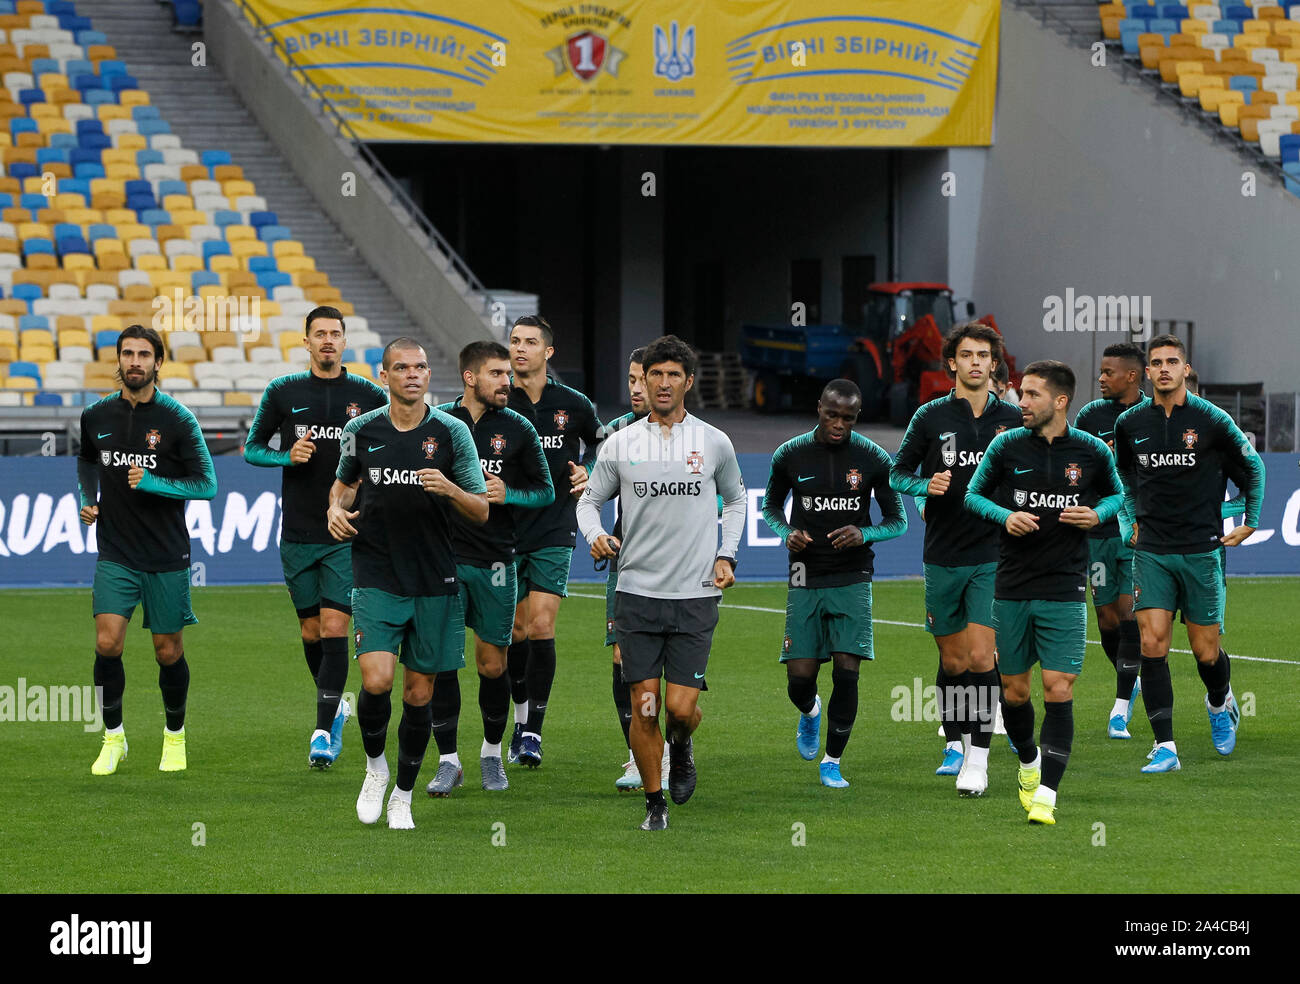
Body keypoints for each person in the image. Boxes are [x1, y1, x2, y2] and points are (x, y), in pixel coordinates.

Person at [577, 334, 746, 831]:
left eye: (674, 375)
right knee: (643, 706)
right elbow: (588, 501)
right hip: (636, 596)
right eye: (656, 374)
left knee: (679, 709)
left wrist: (725, 553)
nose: (664, 383)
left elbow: (736, 500)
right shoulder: (621, 444)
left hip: (695, 594)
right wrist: (596, 536)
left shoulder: (714, 441)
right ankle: (655, 804)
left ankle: (684, 742)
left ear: (689, 382)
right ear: (644, 381)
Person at [328, 338, 488, 829]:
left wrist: (452, 488)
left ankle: (403, 794)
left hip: (435, 579)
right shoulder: (360, 430)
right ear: (385, 376)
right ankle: (375, 769)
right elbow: (343, 484)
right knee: (376, 681)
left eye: (420, 366)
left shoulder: (452, 432)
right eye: (402, 367)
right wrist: (334, 508)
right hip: (376, 573)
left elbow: (481, 509)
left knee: (419, 695)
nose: (413, 374)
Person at [965, 360, 1124, 824]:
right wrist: (1003, 516)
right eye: (1021, 393)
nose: (1022, 402)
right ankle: (1029, 761)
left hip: (1066, 585)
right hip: (1012, 585)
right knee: (1015, 693)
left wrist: (1097, 514)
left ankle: (1048, 796)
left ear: (1059, 401)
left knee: (1058, 687)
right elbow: (973, 495)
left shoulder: (1092, 451)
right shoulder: (1006, 446)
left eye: (1031, 394)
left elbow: (1118, 496)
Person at [243, 305, 387, 768]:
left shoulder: (366, 393)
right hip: (299, 530)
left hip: (346, 530)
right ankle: (335, 705)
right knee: (310, 631)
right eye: (319, 334)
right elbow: (251, 449)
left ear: (345, 341)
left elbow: (386, 446)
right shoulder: (283, 391)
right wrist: (286, 457)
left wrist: (367, 479)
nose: (328, 340)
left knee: (334, 628)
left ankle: (322, 730)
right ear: (305, 342)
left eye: (335, 333)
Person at [1114, 334, 1265, 773]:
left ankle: (1220, 703)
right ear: (1147, 372)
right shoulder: (1131, 424)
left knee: (1206, 653)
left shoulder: (1212, 421)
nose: (1164, 368)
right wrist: (1128, 523)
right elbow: (1123, 476)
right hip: (1153, 552)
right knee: (1152, 644)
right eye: (1156, 362)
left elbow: (1252, 467)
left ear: (1185, 369)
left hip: (1202, 551)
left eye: (1172, 362)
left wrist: (1250, 519)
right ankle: (1166, 747)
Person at [78, 324, 217, 775]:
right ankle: (112, 737)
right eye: (127, 354)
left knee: (167, 652)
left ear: (159, 362)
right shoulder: (96, 416)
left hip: (165, 554)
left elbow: (207, 483)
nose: (134, 362)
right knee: (107, 642)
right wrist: (88, 497)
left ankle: (174, 736)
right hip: (115, 551)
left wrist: (155, 482)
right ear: (118, 360)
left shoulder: (178, 419)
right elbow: (86, 459)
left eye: (143, 355)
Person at [888, 322, 1022, 790]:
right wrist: (925, 486)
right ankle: (955, 740)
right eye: (967, 354)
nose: (976, 362)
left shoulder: (1014, 419)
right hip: (943, 554)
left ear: (993, 363)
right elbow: (896, 474)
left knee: (983, 656)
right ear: (952, 362)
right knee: (953, 662)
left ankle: (977, 761)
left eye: (984, 355)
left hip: (994, 553)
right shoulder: (928, 417)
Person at [761, 379, 906, 788]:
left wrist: (866, 534)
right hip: (804, 573)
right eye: (832, 414)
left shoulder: (874, 458)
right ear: (819, 408)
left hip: (853, 573)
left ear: (857, 417)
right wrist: (785, 531)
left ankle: (832, 760)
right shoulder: (789, 454)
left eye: (849, 417)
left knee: (847, 669)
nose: (839, 423)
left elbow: (898, 521)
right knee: (799, 679)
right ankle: (809, 712)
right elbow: (771, 505)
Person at [426, 341, 554, 795]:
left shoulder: (518, 427)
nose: (507, 381)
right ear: (470, 377)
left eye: (508, 373)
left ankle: (491, 754)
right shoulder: (436, 422)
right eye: (497, 374)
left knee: (492, 664)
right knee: (441, 661)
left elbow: (545, 491)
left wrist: (510, 494)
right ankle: (447, 761)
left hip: (498, 560)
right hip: (442, 559)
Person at [505, 315, 604, 768]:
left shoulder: (574, 404)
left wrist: (592, 468)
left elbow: (602, 444)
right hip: (504, 528)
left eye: (529, 342)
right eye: (514, 341)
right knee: (514, 632)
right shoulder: (497, 399)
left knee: (542, 626)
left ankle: (532, 733)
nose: (519, 348)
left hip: (554, 528)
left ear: (548, 352)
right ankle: (519, 716)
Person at [1072, 342, 1149, 740]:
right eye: (1100, 371)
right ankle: (1130, 678)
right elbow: (1075, 468)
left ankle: (1120, 707)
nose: (1100, 378)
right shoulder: (1090, 416)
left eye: (1108, 372)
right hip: (1098, 532)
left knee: (1130, 613)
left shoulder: (1152, 415)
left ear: (1132, 376)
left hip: (1137, 533)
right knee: (1106, 619)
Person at [596, 346, 663, 792]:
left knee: (670, 671)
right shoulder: (615, 432)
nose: (637, 390)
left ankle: (672, 744)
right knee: (624, 658)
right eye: (632, 381)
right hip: (626, 562)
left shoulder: (694, 437)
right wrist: (597, 534)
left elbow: (720, 497)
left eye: (644, 380)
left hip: (677, 566)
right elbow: (592, 487)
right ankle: (639, 756)